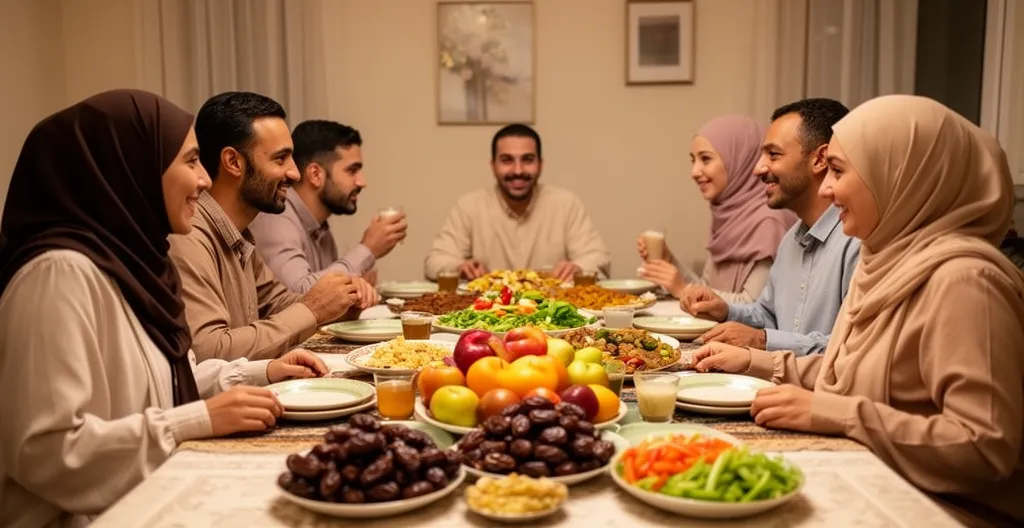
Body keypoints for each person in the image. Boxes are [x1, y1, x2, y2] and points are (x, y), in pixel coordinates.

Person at [0, 89, 330, 527]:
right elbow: (48, 454)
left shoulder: (130, 264)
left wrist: (261, 373)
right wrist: (196, 421)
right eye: (191, 162)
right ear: (130, 167)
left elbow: (168, 377)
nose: (205, 181)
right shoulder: (59, 274)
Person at [692, 95, 1024, 527]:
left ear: (902, 177)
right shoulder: (885, 260)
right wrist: (760, 362)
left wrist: (835, 414)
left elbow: (983, 448)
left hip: (942, 510)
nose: (827, 189)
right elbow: (848, 370)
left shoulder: (965, 282)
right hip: (876, 476)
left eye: (839, 171)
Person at [168, 92, 362, 362]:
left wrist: (339, 305)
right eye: (280, 159)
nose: (294, 173)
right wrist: (313, 310)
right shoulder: (189, 235)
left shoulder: (240, 232)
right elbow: (209, 350)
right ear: (233, 162)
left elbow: (277, 303)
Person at [682, 99, 860, 356]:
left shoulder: (855, 242)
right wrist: (726, 310)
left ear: (820, 159)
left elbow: (851, 347)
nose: (758, 168)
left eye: (773, 155)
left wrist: (763, 340)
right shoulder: (791, 239)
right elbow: (768, 314)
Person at [638, 114, 797, 302]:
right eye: (693, 160)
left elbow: (752, 306)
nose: (694, 172)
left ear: (741, 160)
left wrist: (684, 289)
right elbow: (707, 289)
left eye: (705, 159)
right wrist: (668, 260)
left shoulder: (769, 221)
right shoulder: (729, 214)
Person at [423, 124, 611, 282]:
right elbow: (434, 262)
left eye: (527, 160)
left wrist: (578, 268)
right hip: (486, 316)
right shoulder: (469, 205)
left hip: (552, 316)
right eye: (507, 160)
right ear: (493, 165)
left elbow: (599, 259)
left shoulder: (565, 204)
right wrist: (459, 267)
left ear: (541, 164)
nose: (518, 170)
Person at [250, 119, 406, 294]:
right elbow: (299, 294)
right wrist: (368, 249)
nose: (362, 182)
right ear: (315, 174)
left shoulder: (322, 230)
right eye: (352, 170)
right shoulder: (276, 218)